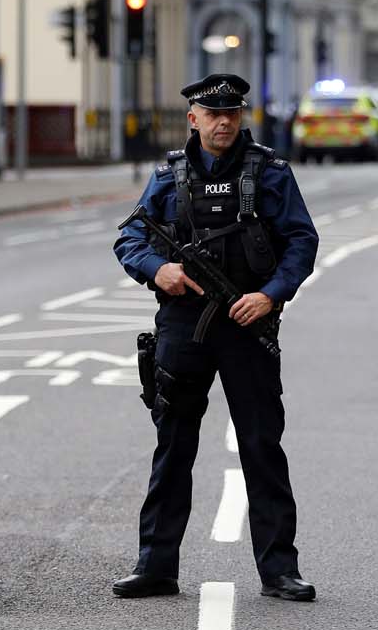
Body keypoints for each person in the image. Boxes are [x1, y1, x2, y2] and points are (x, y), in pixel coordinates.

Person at [112, 73, 320, 602]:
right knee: (173, 445)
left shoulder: (270, 172)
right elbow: (131, 237)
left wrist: (271, 295)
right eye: (213, 113)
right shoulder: (169, 174)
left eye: (232, 112)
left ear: (242, 115)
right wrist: (158, 270)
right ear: (194, 119)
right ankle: (155, 565)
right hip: (184, 323)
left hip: (247, 321)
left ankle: (279, 570)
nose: (223, 121)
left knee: (260, 446)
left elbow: (301, 240)